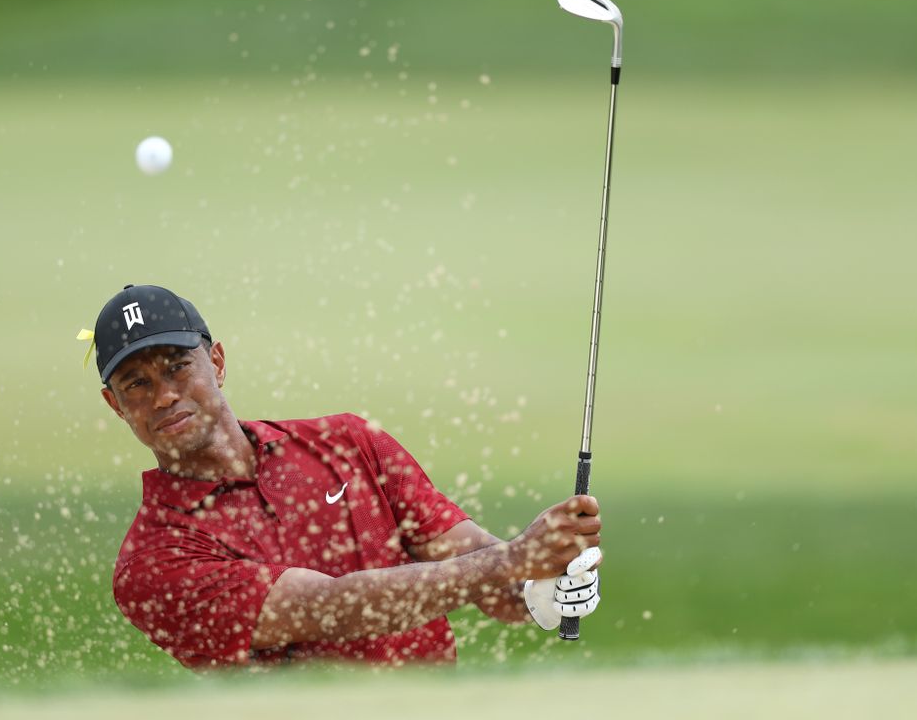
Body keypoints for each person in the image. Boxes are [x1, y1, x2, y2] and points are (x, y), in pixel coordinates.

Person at [81, 284, 603, 669]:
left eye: (177, 367)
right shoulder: (152, 562)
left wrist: (541, 588)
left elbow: (474, 563)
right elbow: (330, 609)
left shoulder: (349, 442)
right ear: (115, 403)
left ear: (216, 361)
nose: (164, 395)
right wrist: (512, 559)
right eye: (137, 384)